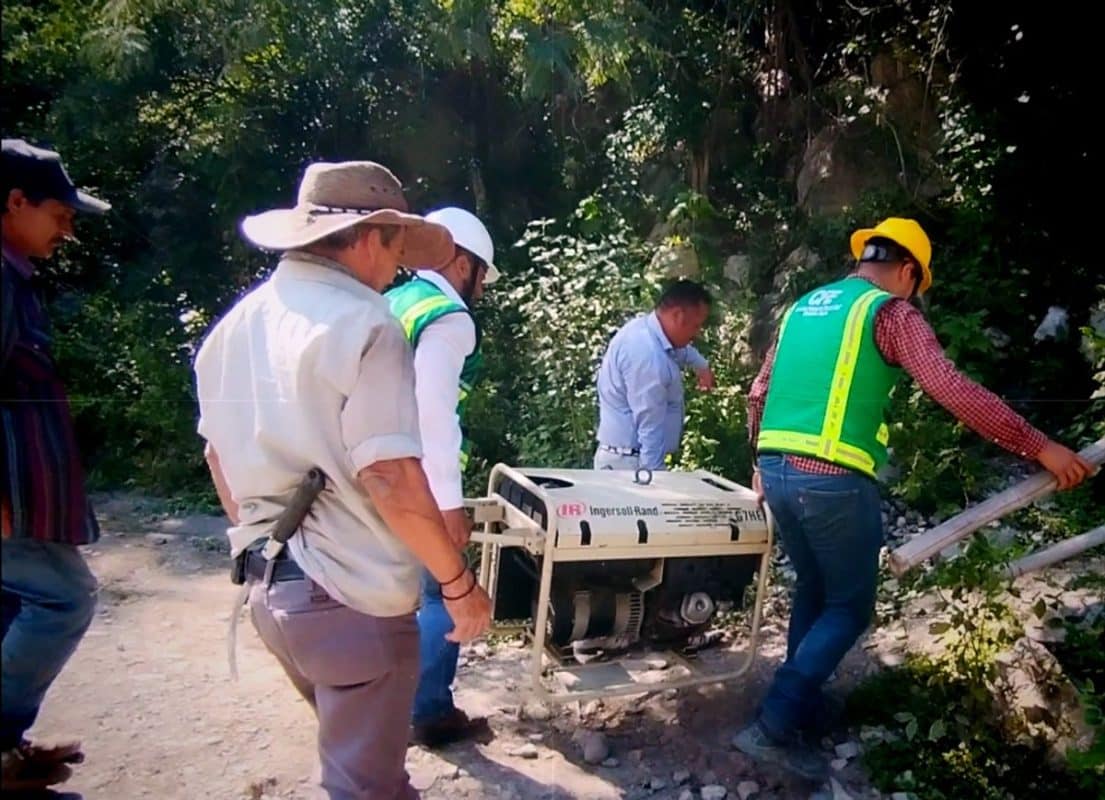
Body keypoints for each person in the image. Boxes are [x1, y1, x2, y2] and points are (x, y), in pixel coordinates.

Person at [734, 217, 1095, 781]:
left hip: (777, 471)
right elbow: (951, 388)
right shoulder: (890, 314)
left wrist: (758, 461)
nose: (915, 298)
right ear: (907, 271)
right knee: (850, 607)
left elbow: (759, 391)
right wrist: (1039, 445)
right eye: (917, 286)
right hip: (832, 480)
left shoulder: (804, 307)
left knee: (815, 588)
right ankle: (774, 722)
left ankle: (798, 701)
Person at [194, 161, 492, 800]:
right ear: (370, 237)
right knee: (365, 787)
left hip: (271, 593)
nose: (398, 267)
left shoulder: (232, 328)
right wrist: (458, 584)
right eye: (397, 246)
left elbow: (218, 457)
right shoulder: (366, 324)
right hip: (351, 603)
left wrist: (265, 547)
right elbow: (389, 474)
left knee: (363, 770)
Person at [2, 139, 111, 793]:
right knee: (64, 597)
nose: (67, 230)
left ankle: (8, 746)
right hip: (9, 498)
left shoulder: (13, 274)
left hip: (23, 492)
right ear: (15, 202)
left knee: (13, 603)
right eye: (59, 214)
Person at [387, 207, 500, 748]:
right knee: (441, 589)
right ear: (462, 264)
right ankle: (429, 711)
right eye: (481, 276)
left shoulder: (394, 299)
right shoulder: (448, 317)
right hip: (416, 476)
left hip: (372, 469)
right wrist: (449, 504)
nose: (481, 289)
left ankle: (384, 703)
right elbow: (433, 414)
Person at [594, 279, 715, 471]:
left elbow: (681, 351)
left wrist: (702, 366)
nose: (697, 333)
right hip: (630, 465)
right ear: (678, 316)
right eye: (696, 325)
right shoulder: (647, 356)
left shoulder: (646, 331)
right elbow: (649, 425)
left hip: (629, 458)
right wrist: (655, 477)